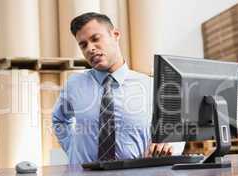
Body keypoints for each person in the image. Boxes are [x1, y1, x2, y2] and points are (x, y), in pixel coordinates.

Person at [52, 12, 184, 164]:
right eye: (83, 45)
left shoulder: (149, 86)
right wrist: (72, 149)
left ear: (115, 35)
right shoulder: (74, 84)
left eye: (95, 39)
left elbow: (177, 128)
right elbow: (59, 120)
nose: (90, 48)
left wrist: (169, 144)